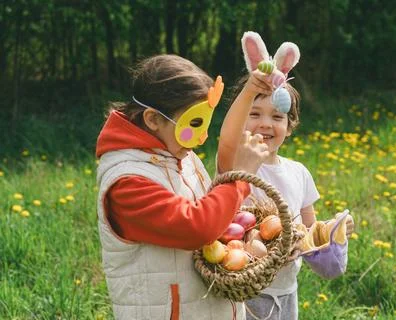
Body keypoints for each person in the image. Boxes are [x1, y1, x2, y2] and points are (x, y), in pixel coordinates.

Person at [95, 54, 269, 320]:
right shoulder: (127, 183)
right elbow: (197, 227)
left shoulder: (181, 155)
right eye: (194, 123)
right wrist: (241, 177)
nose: (202, 137)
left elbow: (212, 211)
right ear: (153, 119)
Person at [217, 32, 354, 320]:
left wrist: (333, 232)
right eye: (254, 114)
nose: (265, 123)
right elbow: (228, 139)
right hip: (242, 292)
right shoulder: (236, 159)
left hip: (286, 291)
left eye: (277, 116)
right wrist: (250, 91)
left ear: (290, 126)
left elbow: (310, 232)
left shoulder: (299, 173)